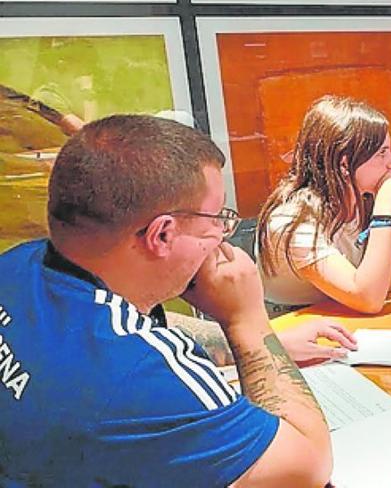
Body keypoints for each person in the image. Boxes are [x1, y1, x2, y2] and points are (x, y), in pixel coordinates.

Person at [0, 115, 331, 486]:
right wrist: (247, 323)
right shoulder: (135, 376)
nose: (222, 234)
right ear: (162, 235)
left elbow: (133, 329)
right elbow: (306, 467)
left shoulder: (18, 265)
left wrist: (264, 346)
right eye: (217, 218)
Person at [257, 95, 391, 314]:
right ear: (344, 163)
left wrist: (364, 289)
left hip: (343, 316)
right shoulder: (292, 220)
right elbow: (369, 300)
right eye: (382, 153)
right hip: (291, 327)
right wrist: (384, 214)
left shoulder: (369, 196)